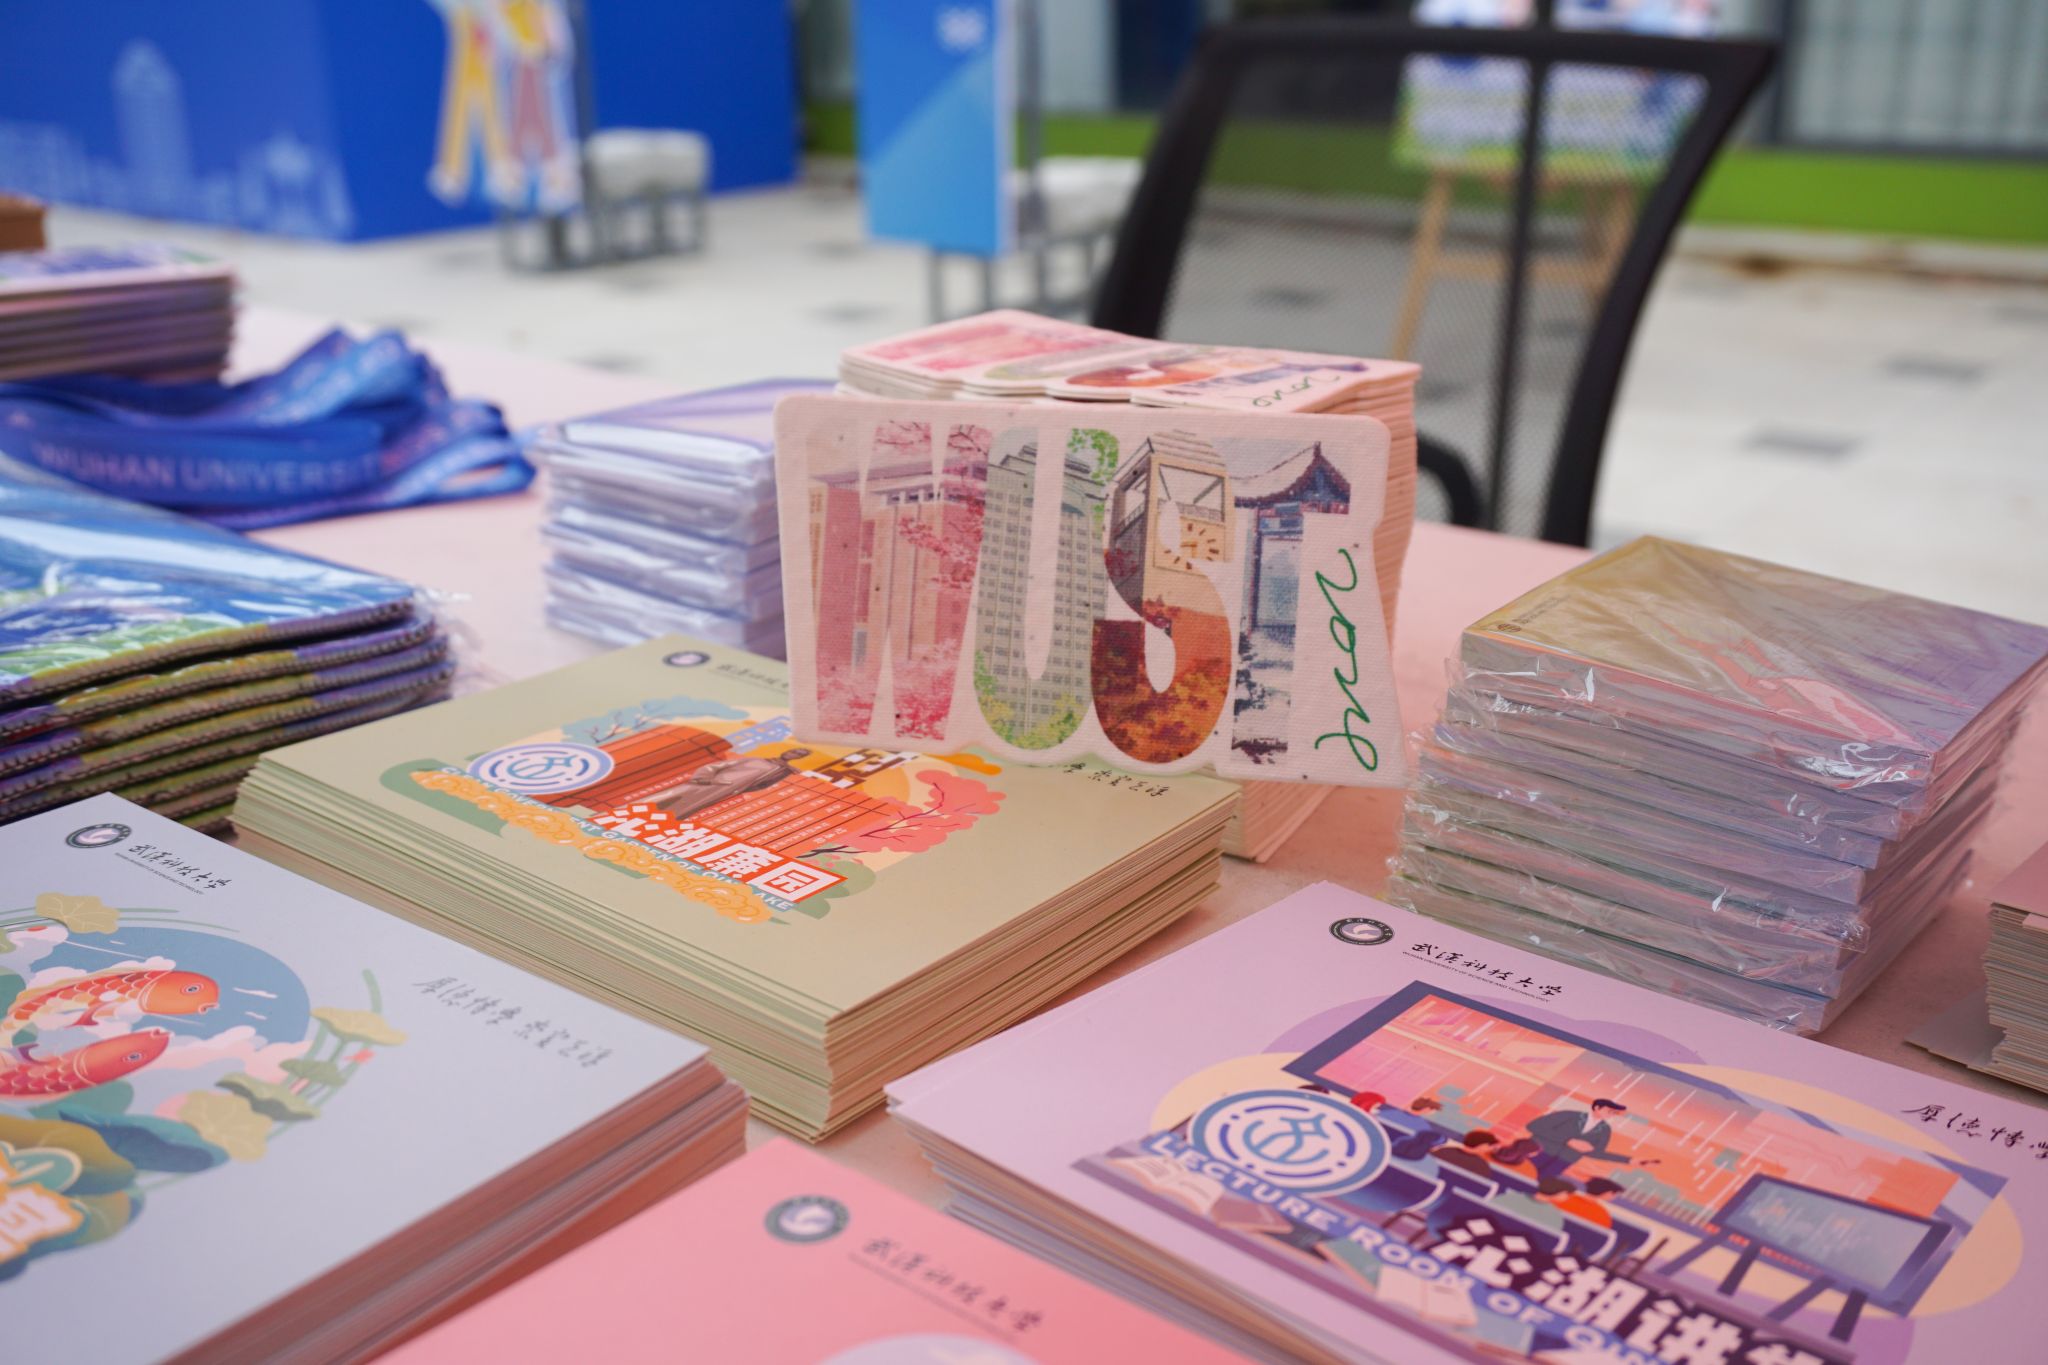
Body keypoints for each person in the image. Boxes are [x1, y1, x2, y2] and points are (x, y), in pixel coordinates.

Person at [653, 747, 814, 821]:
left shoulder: (782, 770)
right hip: (704, 783)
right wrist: (705, 778)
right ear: (787, 750)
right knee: (667, 797)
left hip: (723, 791)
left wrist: (736, 789)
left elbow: (762, 785)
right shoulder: (756, 759)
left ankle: (657, 822)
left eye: (799, 754)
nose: (794, 754)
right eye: (794, 751)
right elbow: (716, 766)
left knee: (685, 808)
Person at [1525, 1098, 1660, 1182]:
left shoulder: (1605, 1129)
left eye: (1614, 1113)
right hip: (1538, 1153)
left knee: (1536, 1184)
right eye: (1610, 1111)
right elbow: (1534, 1126)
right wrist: (1568, 1140)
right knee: (1520, 1174)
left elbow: (1596, 1153)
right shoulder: (1570, 1115)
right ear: (1596, 1107)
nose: (1612, 1114)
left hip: (1561, 1163)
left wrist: (1630, 1160)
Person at [1551, 1176, 1622, 1228]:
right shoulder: (1602, 1215)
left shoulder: (1559, 1198)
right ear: (1608, 1193)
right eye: (1614, 1194)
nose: (1614, 1197)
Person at [1429, 1130, 1502, 1178]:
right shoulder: (1481, 1166)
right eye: (1492, 1147)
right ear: (1483, 1145)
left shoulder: (1442, 1150)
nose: (1491, 1150)